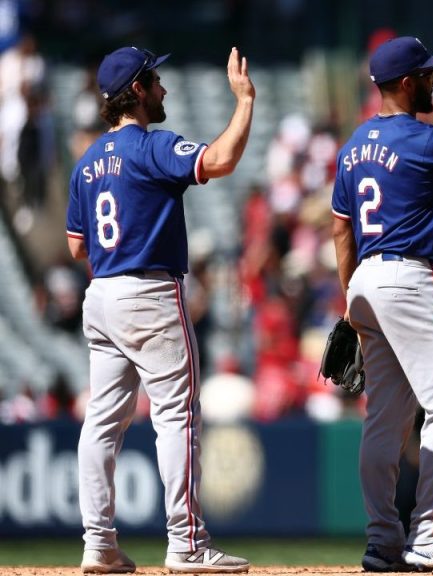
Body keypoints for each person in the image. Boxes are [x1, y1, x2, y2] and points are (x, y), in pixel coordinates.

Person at [66, 46, 254, 574]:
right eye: (156, 79)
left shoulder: (87, 161)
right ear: (138, 90)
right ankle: (186, 542)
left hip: (101, 295)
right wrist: (244, 101)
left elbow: (77, 246)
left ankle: (98, 542)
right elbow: (219, 160)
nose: (164, 88)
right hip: (149, 291)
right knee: (176, 417)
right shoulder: (150, 146)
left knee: (101, 424)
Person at [331, 36, 433, 572]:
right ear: (405, 83)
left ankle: (382, 540)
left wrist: (350, 301)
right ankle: (429, 532)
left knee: (384, 420)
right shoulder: (427, 139)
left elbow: (340, 229)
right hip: (411, 277)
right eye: (426, 74)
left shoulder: (353, 146)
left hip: (365, 280)